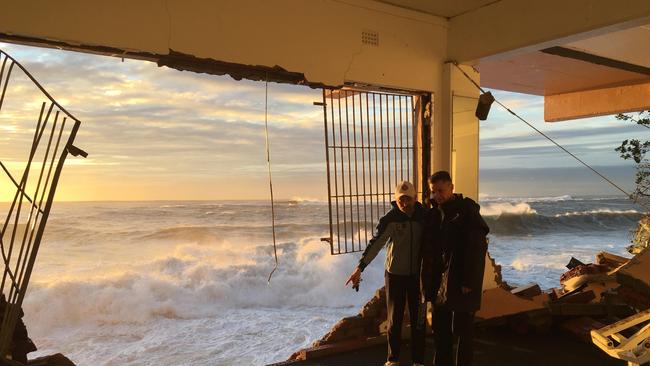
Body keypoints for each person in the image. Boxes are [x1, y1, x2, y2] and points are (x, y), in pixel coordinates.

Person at [345, 180, 427, 366]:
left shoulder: (424, 216)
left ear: (415, 198)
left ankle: (419, 361)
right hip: (395, 275)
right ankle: (393, 359)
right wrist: (360, 268)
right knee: (395, 318)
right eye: (401, 200)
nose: (405, 203)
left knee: (418, 321)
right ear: (396, 200)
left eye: (408, 199)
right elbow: (375, 244)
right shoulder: (390, 219)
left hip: (417, 276)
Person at [421, 171, 489, 366]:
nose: (437, 195)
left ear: (451, 187)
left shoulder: (467, 211)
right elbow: (428, 251)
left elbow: (476, 249)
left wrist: (469, 281)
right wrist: (425, 286)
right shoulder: (434, 214)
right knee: (441, 332)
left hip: (461, 280)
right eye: (434, 191)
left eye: (441, 190)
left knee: (463, 332)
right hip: (438, 281)